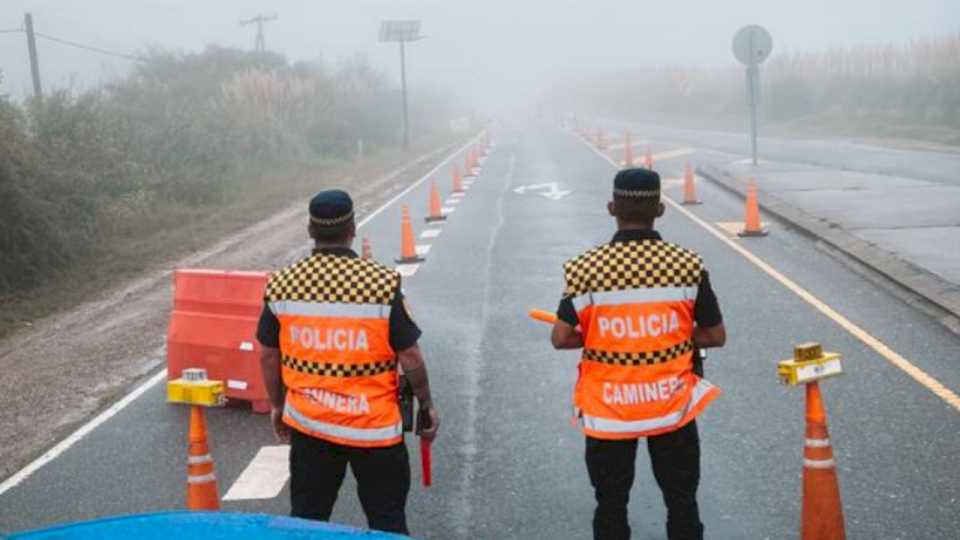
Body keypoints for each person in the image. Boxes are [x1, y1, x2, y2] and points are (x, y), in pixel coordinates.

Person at [550, 168, 726, 540]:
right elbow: (714, 335)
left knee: (611, 505)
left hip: (609, 412)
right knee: (682, 502)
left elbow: (562, 337)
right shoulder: (688, 265)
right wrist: (674, 337)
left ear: (612, 207)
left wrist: (605, 336)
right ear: (660, 210)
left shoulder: (585, 269)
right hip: (671, 408)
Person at [257, 189, 439, 535]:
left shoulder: (281, 284)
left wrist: (278, 405)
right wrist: (427, 404)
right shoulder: (380, 283)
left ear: (310, 230)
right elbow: (410, 355)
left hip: (311, 426)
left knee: (307, 522)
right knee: (386, 523)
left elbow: (268, 353)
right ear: (352, 228)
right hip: (375, 431)